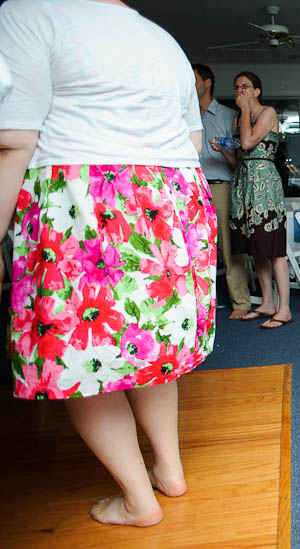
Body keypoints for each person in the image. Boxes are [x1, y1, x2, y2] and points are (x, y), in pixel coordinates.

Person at [0, 0, 216, 526]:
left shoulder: (29, 14)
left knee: (82, 357)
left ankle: (140, 500)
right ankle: (169, 469)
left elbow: (13, 143)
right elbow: (193, 142)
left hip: (89, 200)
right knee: (150, 346)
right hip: (172, 200)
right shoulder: (164, 41)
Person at [229, 71, 293, 329]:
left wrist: (244, 109)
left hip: (265, 186)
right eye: (236, 88)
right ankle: (267, 302)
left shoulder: (267, 112)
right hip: (243, 185)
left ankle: (284, 309)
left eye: (245, 87)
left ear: (256, 91)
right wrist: (224, 151)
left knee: (274, 248)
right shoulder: (237, 117)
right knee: (256, 248)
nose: (240, 91)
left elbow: (247, 142)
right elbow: (239, 158)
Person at [192, 63, 252, 320]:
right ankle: (196, 305)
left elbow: (239, 161)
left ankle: (240, 301)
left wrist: (224, 151)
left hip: (220, 186)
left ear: (207, 83)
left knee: (229, 247)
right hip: (192, 186)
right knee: (194, 248)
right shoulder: (185, 116)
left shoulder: (229, 116)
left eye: (193, 79)